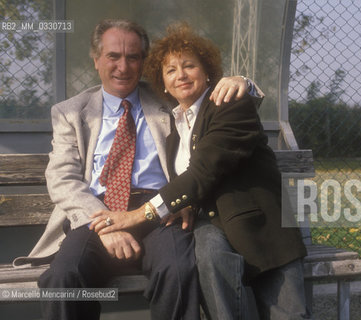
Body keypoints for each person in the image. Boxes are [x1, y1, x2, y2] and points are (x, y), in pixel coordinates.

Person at [13, 19, 259, 320]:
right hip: (95, 213)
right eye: (113, 56)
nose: (123, 66)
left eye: (132, 57)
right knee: (63, 278)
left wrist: (244, 83)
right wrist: (104, 225)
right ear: (96, 60)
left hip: (159, 212)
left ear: (142, 62)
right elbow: (62, 178)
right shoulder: (70, 112)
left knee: (179, 271)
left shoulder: (167, 97)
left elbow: (212, 106)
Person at [91, 22, 310, 320]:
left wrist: (136, 215)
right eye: (170, 71)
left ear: (207, 72)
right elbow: (187, 184)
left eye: (189, 66)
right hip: (210, 231)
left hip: (260, 233)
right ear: (163, 85)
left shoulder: (229, 103)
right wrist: (182, 204)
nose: (180, 75)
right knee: (206, 256)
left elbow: (204, 170)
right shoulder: (172, 130)